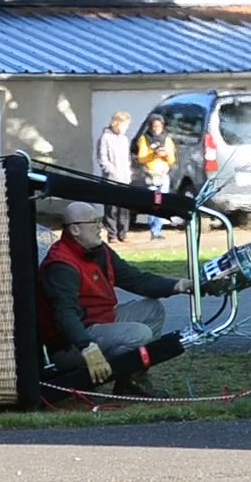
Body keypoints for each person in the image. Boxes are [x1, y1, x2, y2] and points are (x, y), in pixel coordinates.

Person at [36, 202, 222, 397]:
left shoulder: (98, 250)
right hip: (70, 346)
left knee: (153, 309)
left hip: (99, 323)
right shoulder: (61, 265)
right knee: (139, 334)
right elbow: (65, 315)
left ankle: (131, 379)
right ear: (75, 229)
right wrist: (87, 347)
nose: (101, 227)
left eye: (100, 221)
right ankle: (110, 374)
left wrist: (182, 285)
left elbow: (136, 280)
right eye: (94, 222)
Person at [135, 113, 177, 240]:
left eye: (159, 126)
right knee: (153, 203)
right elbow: (141, 158)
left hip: (163, 175)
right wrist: (154, 154)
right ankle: (153, 229)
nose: (157, 128)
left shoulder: (167, 139)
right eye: (154, 126)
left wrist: (165, 155)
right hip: (151, 175)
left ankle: (158, 229)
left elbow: (172, 159)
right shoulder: (144, 139)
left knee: (161, 203)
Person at [96, 111, 134, 243]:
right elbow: (103, 159)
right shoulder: (105, 138)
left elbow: (127, 159)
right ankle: (112, 234)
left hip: (124, 179)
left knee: (124, 207)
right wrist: (112, 172)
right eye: (125, 125)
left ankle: (123, 233)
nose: (126, 128)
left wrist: (128, 174)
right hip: (111, 178)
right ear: (117, 123)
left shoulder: (124, 139)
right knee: (111, 208)